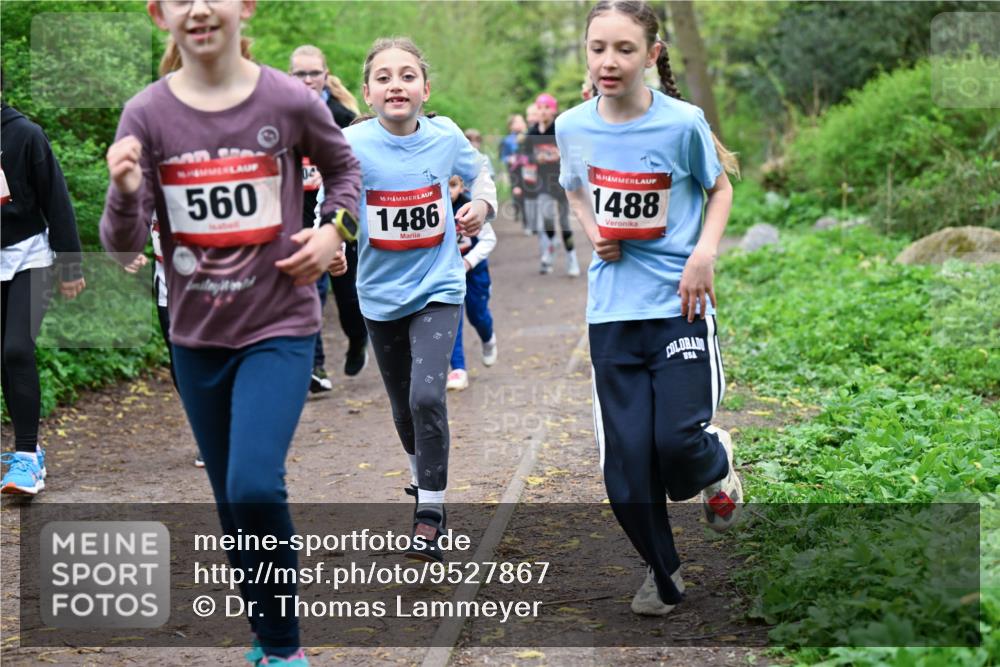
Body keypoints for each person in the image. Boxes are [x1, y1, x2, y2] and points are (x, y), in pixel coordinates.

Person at [101, 1, 361, 664]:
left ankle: (284, 648)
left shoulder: (285, 98)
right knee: (229, 497)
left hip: (279, 322)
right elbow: (124, 246)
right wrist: (127, 189)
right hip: (196, 337)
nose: (198, 8)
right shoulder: (147, 114)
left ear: (244, 6)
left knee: (252, 484)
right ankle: (267, 636)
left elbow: (345, 171)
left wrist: (335, 228)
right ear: (161, 14)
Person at [556, 0, 743, 618]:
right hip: (612, 314)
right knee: (626, 472)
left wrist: (705, 253)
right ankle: (662, 573)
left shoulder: (681, 123)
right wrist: (591, 231)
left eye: (624, 49)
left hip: (679, 305)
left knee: (677, 444)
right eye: (598, 48)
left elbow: (720, 187)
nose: (609, 61)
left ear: (652, 54)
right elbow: (576, 187)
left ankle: (716, 463)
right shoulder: (573, 125)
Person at [342, 37, 496, 563]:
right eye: (383, 77)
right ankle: (419, 473)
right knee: (402, 405)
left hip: (439, 285)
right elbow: (332, 202)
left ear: (425, 89)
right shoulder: (352, 144)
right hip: (379, 293)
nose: (396, 85)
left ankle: (430, 512)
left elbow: (482, 175)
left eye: (407, 75)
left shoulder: (445, 136)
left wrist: (480, 203)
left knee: (427, 396)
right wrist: (334, 242)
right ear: (367, 94)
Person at [1, 74, 86, 495]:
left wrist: (71, 264)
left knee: (16, 348)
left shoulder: (25, 134)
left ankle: (27, 457)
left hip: (28, 257)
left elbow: (57, 198)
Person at [289, 44, 368, 390]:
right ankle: (316, 368)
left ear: (325, 74)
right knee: (309, 291)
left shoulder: (341, 117)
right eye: (300, 73)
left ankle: (358, 338)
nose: (307, 80)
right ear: (290, 76)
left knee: (348, 298)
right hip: (297, 220)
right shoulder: (280, 116)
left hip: (337, 220)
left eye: (313, 73)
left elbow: (356, 170)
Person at [445, 175, 498, 391]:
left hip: (474, 271)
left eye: (453, 185)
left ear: (462, 186)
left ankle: (488, 338)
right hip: (448, 275)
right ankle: (458, 368)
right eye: (444, 184)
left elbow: (489, 239)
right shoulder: (433, 208)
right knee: (450, 318)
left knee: (477, 314)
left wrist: (468, 262)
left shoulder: (470, 207)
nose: (448, 190)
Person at [523, 93, 580, 276]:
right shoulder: (532, 133)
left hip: (561, 183)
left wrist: (559, 156)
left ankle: (572, 257)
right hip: (543, 183)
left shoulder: (559, 129)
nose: (543, 112)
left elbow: (573, 152)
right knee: (547, 219)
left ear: (553, 110)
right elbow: (527, 155)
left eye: (547, 108)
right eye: (540, 108)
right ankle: (552, 246)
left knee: (564, 223)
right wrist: (535, 158)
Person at [518, 103, 541, 236]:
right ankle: (528, 224)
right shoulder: (526, 134)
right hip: (528, 168)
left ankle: (538, 224)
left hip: (542, 169)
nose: (530, 118)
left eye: (533, 114)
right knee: (528, 196)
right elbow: (523, 152)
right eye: (528, 115)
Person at [499, 114, 527, 225]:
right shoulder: (506, 140)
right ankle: (517, 208)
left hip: (527, 170)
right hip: (514, 170)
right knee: (517, 192)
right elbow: (503, 156)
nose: (520, 123)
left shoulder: (527, 136)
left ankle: (526, 218)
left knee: (527, 193)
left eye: (521, 121)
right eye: (517, 122)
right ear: (510, 126)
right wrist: (509, 159)